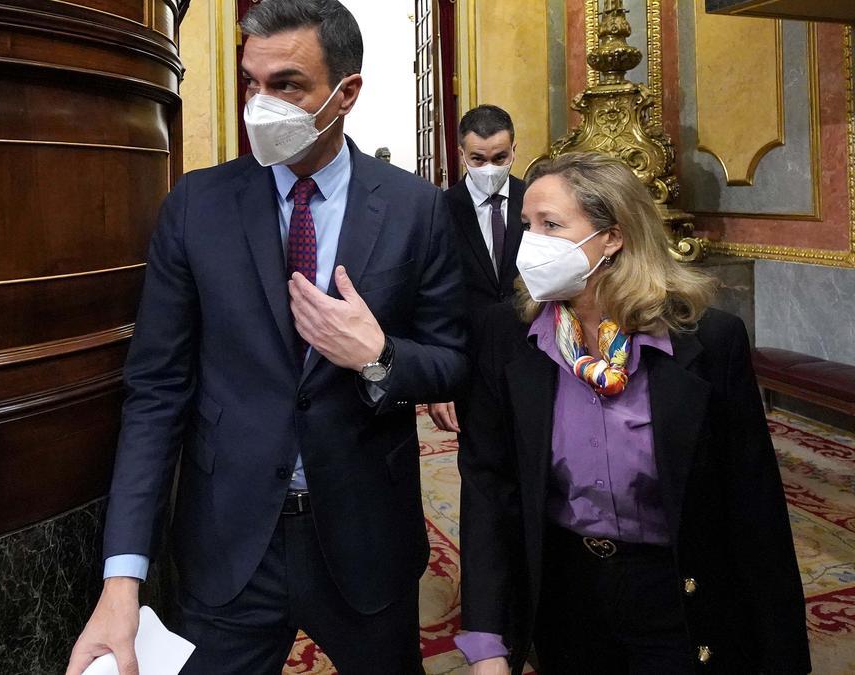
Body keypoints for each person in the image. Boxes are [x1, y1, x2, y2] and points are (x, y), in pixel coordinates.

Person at [66, 1, 468, 674]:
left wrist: (379, 357)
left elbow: (453, 361)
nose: (261, 105)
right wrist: (122, 576)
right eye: (251, 83)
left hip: (365, 541)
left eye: (286, 85)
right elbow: (156, 393)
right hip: (228, 544)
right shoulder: (196, 206)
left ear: (347, 94)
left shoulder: (415, 208)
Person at [455, 152, 811, 675]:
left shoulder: (709, 341)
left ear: (613, 237)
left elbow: (752, 504)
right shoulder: (506, 336)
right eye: (526, 225)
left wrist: (782, 652)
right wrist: (486, 638)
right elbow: (490, 486)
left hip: (676, 585)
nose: (528, 243)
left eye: (550, 225)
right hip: (565, 588)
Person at [428, 104, 525, 433]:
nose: (489, 168)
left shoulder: (538, 203)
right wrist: (439, 383)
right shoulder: (438, 210)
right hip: (469, 361)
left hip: (532, 354)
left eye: (499, 158)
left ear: (514, 149)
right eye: (478, 159)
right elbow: (433, 300)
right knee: (480, 467)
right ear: (461, 154)